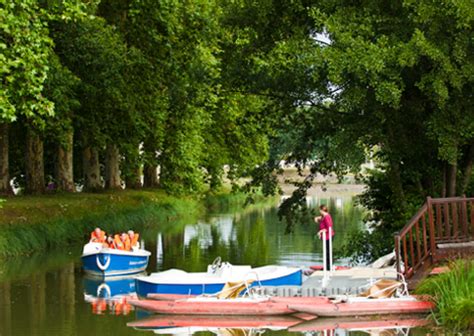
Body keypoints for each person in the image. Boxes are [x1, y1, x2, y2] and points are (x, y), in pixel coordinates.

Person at [314, 204, 335, 271]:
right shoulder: (324, 216)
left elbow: (329, 227)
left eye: (319, 210)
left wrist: (320, 232)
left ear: (321, 210)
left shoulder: (326, 217)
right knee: (326, 251)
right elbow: (322, 219)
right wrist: (317, 218)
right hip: (325, 236)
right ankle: (326, 266)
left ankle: (328, 267)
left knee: (327, 252)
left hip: (328, 236)